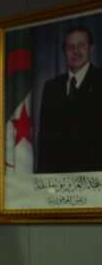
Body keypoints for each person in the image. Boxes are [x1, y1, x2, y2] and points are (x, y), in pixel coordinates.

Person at [37, 25, 102, 173]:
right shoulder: (51, 87)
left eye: (81, 45)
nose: (76, 51)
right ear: (64, 52)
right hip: (57, 179)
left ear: (91, 48)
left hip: (95, 178)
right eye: (70, 47)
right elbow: (44, 141)